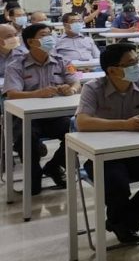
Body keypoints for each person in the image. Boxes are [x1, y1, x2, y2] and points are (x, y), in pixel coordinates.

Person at [74, 42, 139, 244]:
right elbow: (82, 122)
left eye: (137, 61)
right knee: (117, 185)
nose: (137, 66)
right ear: (112, 70)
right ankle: (123, 224)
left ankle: (120, 222)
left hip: (136, 151)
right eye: (130, 63)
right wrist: (124, 124)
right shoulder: (93, 88)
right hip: (103, 154)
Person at [4, 23, 82, 192]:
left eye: (50, 34)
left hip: (55, 116)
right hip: (26, 119)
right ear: (31, 42)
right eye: (44, 35)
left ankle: (53, 166)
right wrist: (37, 93)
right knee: (26, 137)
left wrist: (71, 89)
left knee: (77, 130)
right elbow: (12, 94)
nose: (50, 39)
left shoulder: (62, 61)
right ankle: (34, 176)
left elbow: (75, 81)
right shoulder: (16, 65)